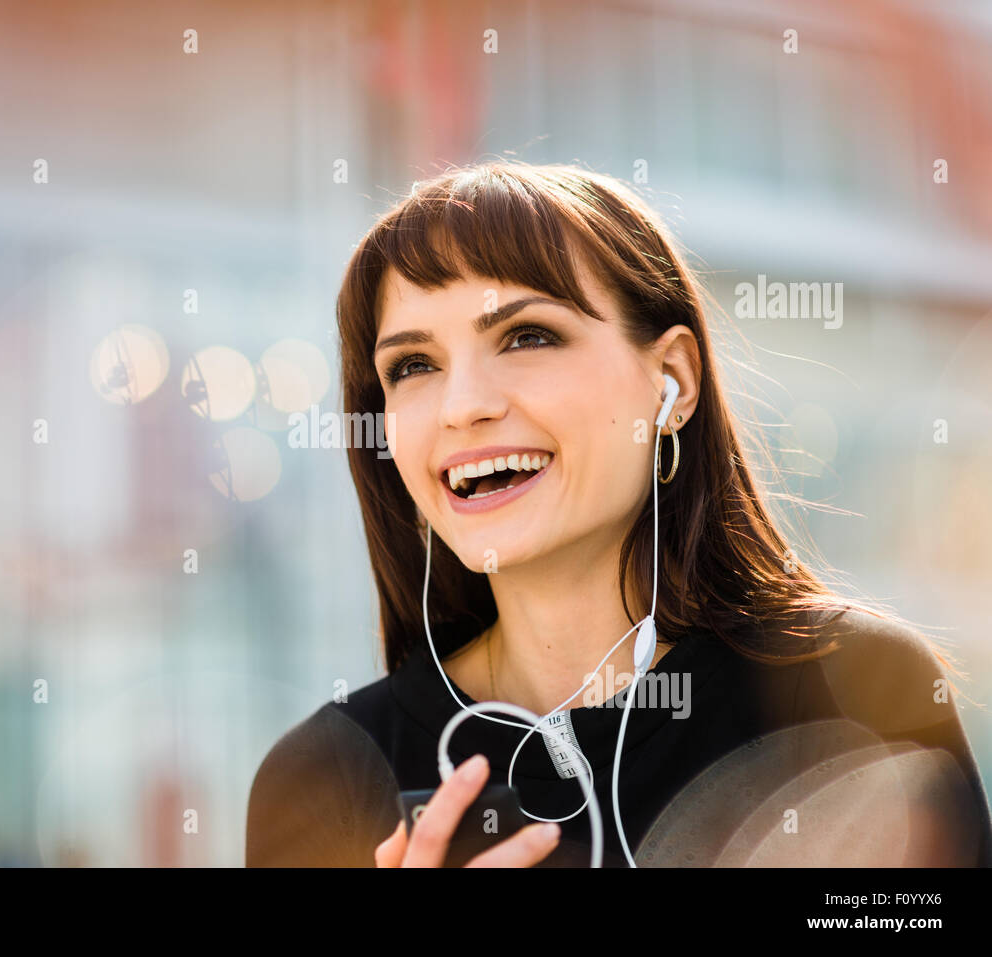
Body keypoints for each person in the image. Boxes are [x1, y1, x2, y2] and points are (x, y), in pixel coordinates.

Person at [245, 162, 992, 867]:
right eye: (413, 366)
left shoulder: (850, 684)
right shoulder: (328, 774)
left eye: (527, 335)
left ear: (671, 379)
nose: (463, 406)